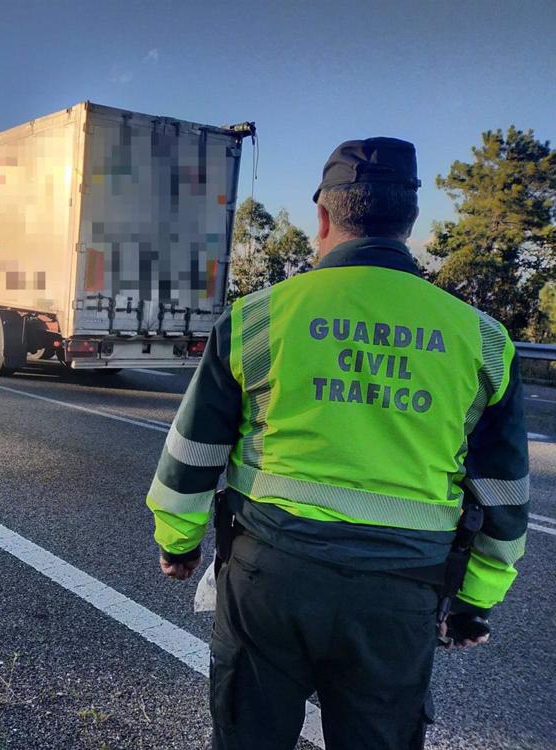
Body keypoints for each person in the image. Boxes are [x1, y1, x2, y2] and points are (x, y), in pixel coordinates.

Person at [146, 138, 529, 750]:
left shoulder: (258, 318)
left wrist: (178, 543)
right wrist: (473, 601)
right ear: (408, 222)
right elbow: (506, 493)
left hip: (269, 578)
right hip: (401, 593)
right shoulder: (483, 341)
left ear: (323, 217)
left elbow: (192, 453)